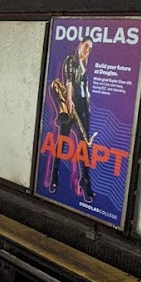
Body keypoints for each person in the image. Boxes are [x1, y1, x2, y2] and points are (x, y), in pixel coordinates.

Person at [48, 38, 94, 201]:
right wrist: (68, 100)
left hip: (83, 109)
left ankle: (86, 181)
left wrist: (87, 106)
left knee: (84, 147)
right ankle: (54, 174)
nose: (88, 49)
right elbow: (68, 81)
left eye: (90, 48)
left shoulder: (84, 66)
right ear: (80, 45)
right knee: (62, 141)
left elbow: (85, 89)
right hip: (71, 106)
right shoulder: (70, 60)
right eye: (86, 45)